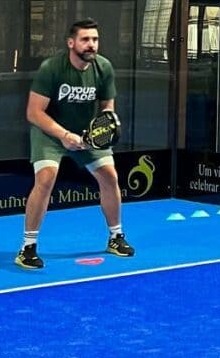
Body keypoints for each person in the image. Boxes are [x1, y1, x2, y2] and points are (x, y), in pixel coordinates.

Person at [17, 19, 135, 270]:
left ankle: (116, 237)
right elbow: (34, 112)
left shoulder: (104, 67)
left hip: (87, 133)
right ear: (71, 43)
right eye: (85, 39)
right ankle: (28, 248)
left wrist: (99, 132)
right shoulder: (51, 68)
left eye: (95, 39)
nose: (91, 44)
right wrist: (63, 135)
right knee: (46, 178)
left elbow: (107, 108)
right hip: (50, 132)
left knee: (110, 176)